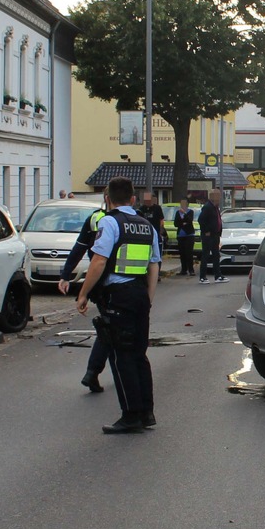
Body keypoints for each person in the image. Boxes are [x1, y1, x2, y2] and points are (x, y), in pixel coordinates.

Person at [76, 177, 162, 434]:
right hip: (139, 295)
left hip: (118, 296)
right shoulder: (147, 226)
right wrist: (148, 298)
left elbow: (99, 261)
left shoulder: (109, 222)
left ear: (108, 199)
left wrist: (82, 294)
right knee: (139, 355)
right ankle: (147, 412)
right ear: (133, 199)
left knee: (121, 356)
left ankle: (130, 416)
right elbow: (154, 265)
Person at [58, 188, 111, 392]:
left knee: (108, 329)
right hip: (126, 284)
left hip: (99, 282)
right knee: (117, 332)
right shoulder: (133, 219)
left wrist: (66, 275)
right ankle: (99, 372)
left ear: (106, 198)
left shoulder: (94, 219)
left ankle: (93, 372)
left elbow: (79, 248)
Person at [137, 191, 169, 278]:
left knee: (156, 255)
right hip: (145, 236)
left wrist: (161, 231)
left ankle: (156, 274)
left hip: (156, 235)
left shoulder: (157, 208)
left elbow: (161, 220)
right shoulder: (141, 209)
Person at [199, 188, 227, 284]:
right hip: (208, 236)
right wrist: (206, 231)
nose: (219, 198)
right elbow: (201, 220)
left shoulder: (215, 207)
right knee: (206, 255)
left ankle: (218, 276)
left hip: (215, 235)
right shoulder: (207, 207)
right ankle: (202, 277)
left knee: (216, 255)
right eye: (218, 196)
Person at [174, 197, 197, 275]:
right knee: (182, 253)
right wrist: (183, 223)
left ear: (187, 204)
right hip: (180, 235)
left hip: (189, 234)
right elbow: (176, 223)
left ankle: (191, 270)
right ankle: (183, 270)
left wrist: (184, 213)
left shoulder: (190, 212)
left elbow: (190, 220)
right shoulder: (177, 212)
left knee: (189, 253)